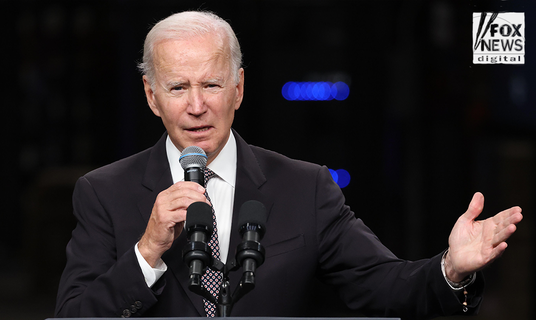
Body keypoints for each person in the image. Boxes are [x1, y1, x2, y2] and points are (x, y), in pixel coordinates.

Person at [55, 11, 523, 319]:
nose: (197, 106)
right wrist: (147, 252)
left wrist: (451, 269)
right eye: (178, 88)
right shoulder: (104, 193)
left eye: (212, 86)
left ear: (238, 88)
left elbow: (382, 285)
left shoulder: (306, 187)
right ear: (151, 96)